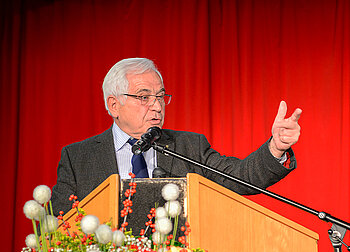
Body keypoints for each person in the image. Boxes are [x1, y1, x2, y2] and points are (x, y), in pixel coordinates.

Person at [51, 58, 301, 216]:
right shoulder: (78, 158)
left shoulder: (188, 146)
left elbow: (240, 177)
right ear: (114, 105)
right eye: (144, 97)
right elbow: (59, 224)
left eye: (160, 96)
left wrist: (275, 148)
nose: (157, 106)